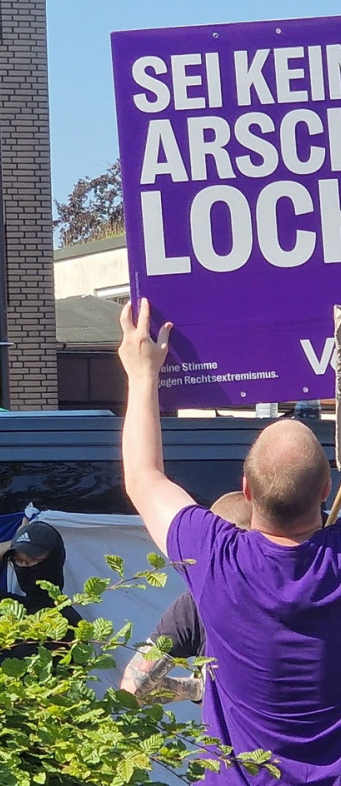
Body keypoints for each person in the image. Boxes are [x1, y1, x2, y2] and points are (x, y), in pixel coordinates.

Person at [118, 298, 341, 784]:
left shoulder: (215, 559)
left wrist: (141, 376)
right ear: (326, 492)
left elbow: (143, 477)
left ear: (245, 490)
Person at [120, 491, 251, 703]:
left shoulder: (197, 602)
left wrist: (198, 688)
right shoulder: (308, 590)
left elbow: (132, 690)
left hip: (226, 736)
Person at [0, 519, 82, 626]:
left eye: (31, 559)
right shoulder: (11, 610)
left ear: (53, 561)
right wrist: (14, 544)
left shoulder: (68, 623)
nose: (23, 567)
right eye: (17, 560)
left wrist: (14, 544)